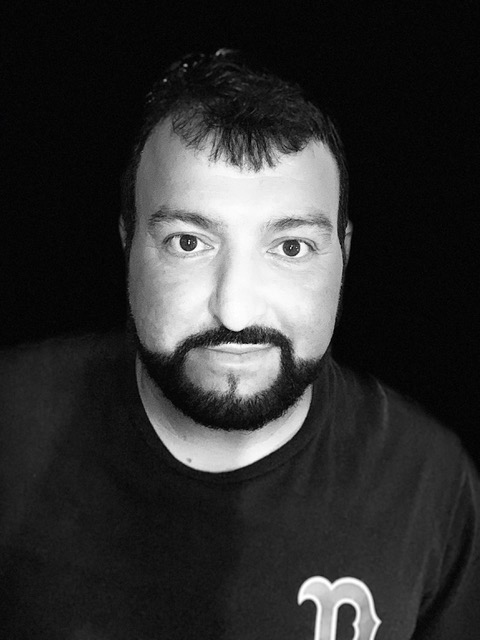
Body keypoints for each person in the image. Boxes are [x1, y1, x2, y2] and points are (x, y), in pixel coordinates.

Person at [1, 49, 479, 640]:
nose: (235, 311)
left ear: (344, 257)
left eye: (291, 248)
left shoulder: (431, 481)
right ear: (128, 244)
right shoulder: (10, 423)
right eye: (187, 242)